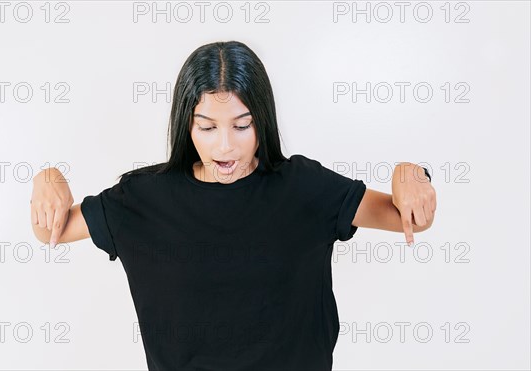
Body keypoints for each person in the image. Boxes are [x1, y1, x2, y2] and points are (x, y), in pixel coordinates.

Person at [30, 40, 436, 370]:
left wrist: (410, 174)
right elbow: (52, 230)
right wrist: (49, 178)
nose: (225, 145)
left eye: (242, 126)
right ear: (186, 125)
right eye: (207, 127)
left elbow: (412, 220)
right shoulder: (143, 198)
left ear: (263, 119)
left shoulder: (304, 188)